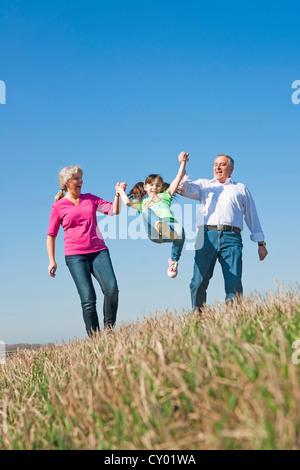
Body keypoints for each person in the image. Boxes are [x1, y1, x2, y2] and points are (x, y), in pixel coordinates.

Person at [177, 153, 268, 313]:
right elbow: (183, 189)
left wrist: (261, 243)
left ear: (231, 169)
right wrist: (182, 164)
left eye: (222, 164)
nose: (217, 167)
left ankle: (233, 320)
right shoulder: (204, 185)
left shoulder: (240, 188)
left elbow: (252, 216)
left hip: (232, 237)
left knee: (234, 282)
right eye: (215, 164)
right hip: (205, 236)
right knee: (198, 282)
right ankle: (198, 319)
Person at [46, 164, 125, 336]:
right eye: (76, 178)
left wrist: (117, 194)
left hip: (98, 251)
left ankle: (110, 332)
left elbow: (114, 210)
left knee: (112, 289)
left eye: (81, 178)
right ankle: (96, 341)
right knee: (88, 300)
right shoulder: (59, 207)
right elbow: (51, 235)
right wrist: (52, 260)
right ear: (67, 182)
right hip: (75, 257)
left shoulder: (90, 199)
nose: (81, 181)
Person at [117, 152, 189, 278]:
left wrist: (183, 162)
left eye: (157, 185)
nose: (154, 187)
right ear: (145, 187)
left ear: (162, 187)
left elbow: (178, 178)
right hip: (153, 232)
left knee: (181, 231)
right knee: (146, 210)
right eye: (151, 185)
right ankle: (159, 224)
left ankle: (173, 260)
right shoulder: (142, 202)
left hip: (169, 226)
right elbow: (127, 202)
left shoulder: (166, 195)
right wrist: (120, 191)